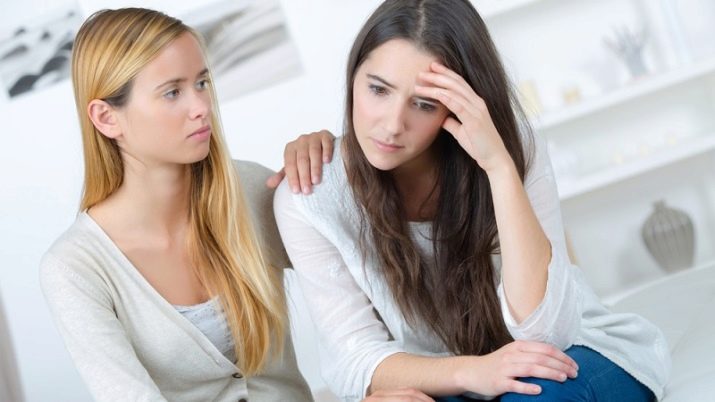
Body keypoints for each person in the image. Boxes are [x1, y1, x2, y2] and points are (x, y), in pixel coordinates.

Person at [274, 0, 671, 401]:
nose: (392, 125)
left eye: (424, 104)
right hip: (444, 381)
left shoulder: (514, 148)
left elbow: (547, 332)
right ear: (353, 78)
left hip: (566, 356)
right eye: (378, 89)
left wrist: (499, 166)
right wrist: (473, 372)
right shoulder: (310, 197)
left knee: (538, 390)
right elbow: (354, 360)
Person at [39, 8, 329, 401]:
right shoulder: (75, 268)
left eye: (202, 82)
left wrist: (334, 172)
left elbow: (366, 274)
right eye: (172, 92)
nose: (202, 106)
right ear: (107, 118)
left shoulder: (250, 189)